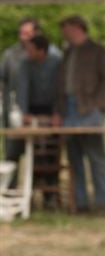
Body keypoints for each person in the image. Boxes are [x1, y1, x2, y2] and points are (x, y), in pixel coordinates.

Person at [53, 15, 105, 212]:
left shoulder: (98, 51)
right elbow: (60, 86)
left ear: (78, 28)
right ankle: (80, 203)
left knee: (96, 157)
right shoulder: (68, 52)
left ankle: (104, 202)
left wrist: (97, 106)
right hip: (69, 109)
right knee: (74, 158)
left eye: (67, 28)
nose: (64, 32)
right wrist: (58, 112)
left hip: (89, 109)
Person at [16, 34, 62, 208]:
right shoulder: (25, 64)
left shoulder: (56, 63)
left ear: (41, 50)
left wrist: (58, 112)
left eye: (31, 50)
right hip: (33, 110)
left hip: (52, 111)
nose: (28, 53)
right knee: (34, 153)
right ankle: (33, 193)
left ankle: (51, 194)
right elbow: (22, 88)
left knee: (52, 153)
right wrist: (24, 112)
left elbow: (60, 88)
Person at [1, 17, 41, 185]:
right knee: (12, 155)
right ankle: (10, 192)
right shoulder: (10, 55)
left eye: (28, 33)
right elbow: (2, 80)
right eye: (21, 33)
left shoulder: (45, 54)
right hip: (13, 114)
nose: (23, 37)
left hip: (37, 114)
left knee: (40, 157)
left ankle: (41, 197)